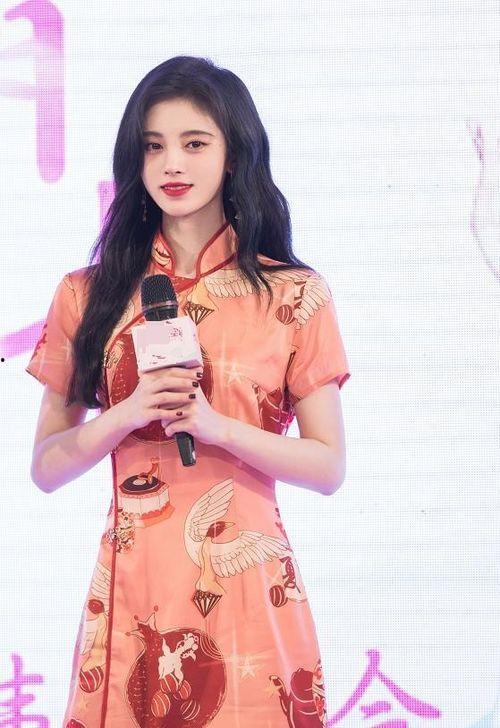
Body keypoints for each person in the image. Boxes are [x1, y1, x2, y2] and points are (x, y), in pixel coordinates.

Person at [26, 55, 351, 728]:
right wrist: (127, 414)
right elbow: (47, 467)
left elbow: (327, 466)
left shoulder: (294, 294)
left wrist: (216, 426)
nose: (172, 164)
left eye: (194, 143)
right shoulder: (87, 295)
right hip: (133, 589)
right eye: (154, 146)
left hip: (247, 589)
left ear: (233, 155)